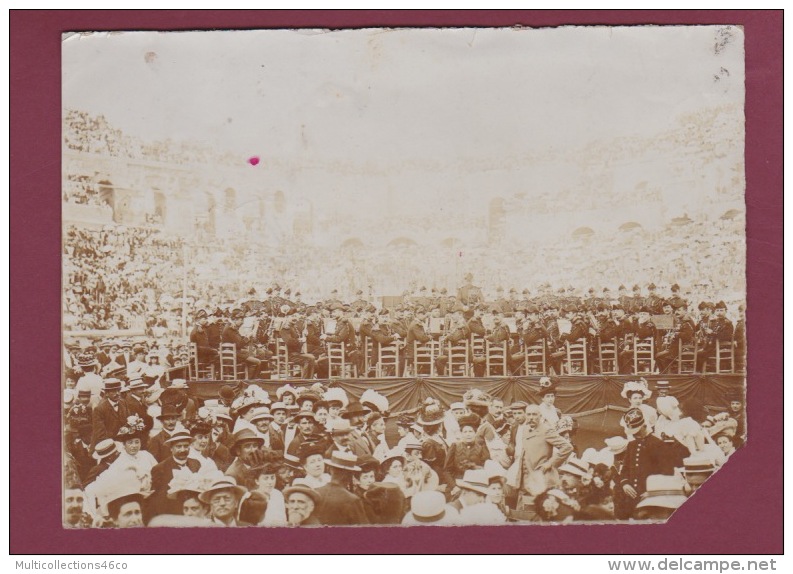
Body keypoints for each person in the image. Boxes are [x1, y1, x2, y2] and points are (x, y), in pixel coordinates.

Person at [507, 404, 573, 508]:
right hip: (524, 479)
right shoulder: (525, 430)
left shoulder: (546, 430)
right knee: (522, 513)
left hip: (541, 479)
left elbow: (567, 447)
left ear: (540, 416)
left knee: (540, 511)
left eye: (534, 414)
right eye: (529, 415)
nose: (531, 417)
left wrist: (549, 464)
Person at [615, 409, 667, 519]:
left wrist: (652, 492)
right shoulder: (631, 445)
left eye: (637, 431)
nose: (635, 435)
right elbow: (625, 469)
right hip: (630, 499)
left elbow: (665, 473)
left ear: (644, 426)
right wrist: (625, 484)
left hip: (649, 499)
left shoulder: (658, 444)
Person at [148, 429, 201, 518]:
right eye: (178, 446)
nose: (183, 449)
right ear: (171, 449)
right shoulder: (160, 468)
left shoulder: (196, 464)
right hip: (171, 513)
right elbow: (157, 499)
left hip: (193, 512)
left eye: (186, 446)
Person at [314, 451, 370, 525]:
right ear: (350, 474)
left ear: (330, 469)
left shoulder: (315, 492)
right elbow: (365, 530)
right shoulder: (352, 500)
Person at [91, 378, 129, 450]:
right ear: (106, 393)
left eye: (118, 390)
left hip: (122, 442)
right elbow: (100, 435)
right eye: (113, 391)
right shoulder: (99, 409)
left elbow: (127, 422)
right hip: (106, 446)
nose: (117, 393)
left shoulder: (123, 403)